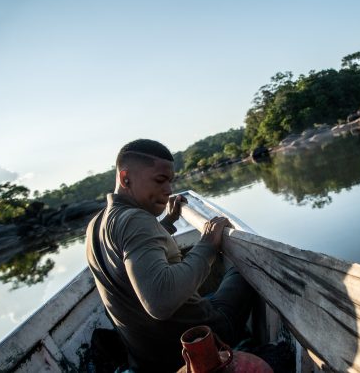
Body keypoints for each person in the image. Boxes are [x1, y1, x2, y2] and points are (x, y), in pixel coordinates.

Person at [86, 139, 255, 372]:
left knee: (211, 292)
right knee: (244, 267)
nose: (168, 190)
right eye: (159, 180)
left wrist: (169, 221)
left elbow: (134, 251)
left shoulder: (97, 225)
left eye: (170, 181)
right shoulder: (135, 220)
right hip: (196, 344)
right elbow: (161, 301)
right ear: (126, 178)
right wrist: (207, 244)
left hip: (147, 359)